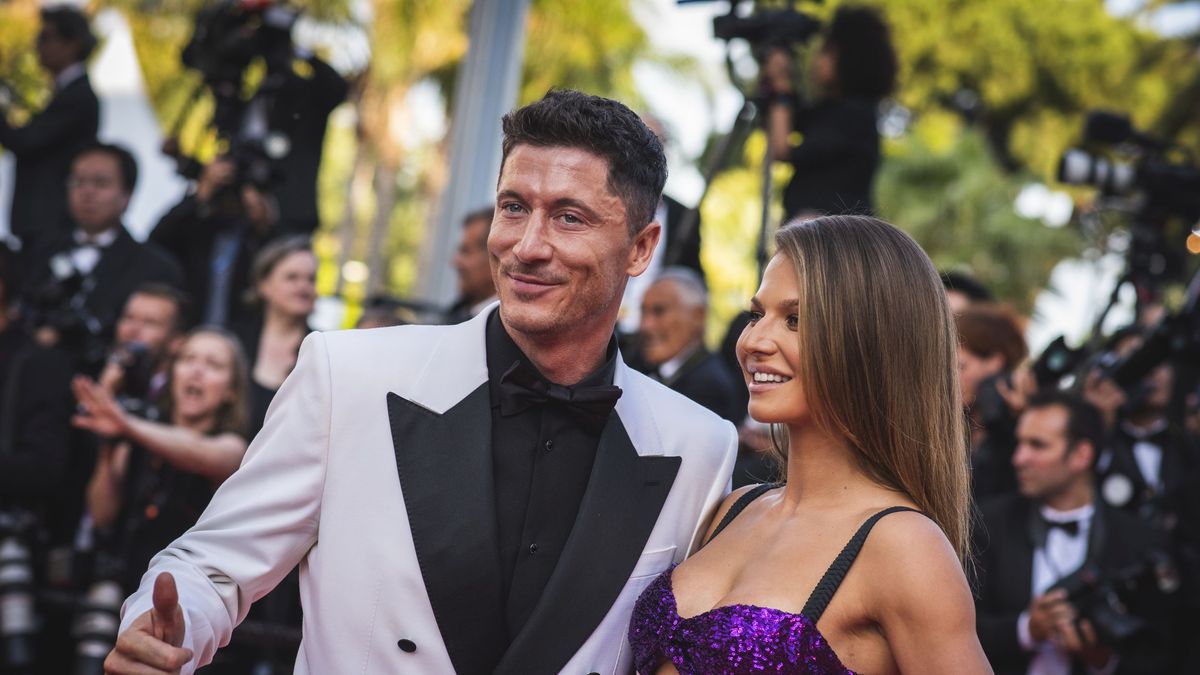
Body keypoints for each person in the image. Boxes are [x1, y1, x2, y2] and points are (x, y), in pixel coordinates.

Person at [105, 89, 738, 675]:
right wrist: (167, 628)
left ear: (640, 247)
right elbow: (215, 565)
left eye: (569, 217)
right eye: (514, 208)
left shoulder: (698, 447)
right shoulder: (348, 376)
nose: (526, 247)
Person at [630, 215, 988, 673]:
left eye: (795, 320)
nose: (754, 340)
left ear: (870, 344)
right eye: (757, 314)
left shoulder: (903, 546)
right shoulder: (732, 508)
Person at [974, 391, 1172, 675]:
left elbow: (1166, 652)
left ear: (1081, 455)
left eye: (1037, 445)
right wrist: (1027, 629)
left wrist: (1102, 659)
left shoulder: (1139, 539)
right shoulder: (988, 523)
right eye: (1019, 443)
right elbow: (961, 626)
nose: (1019, 458)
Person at [75, 327, 250, 594]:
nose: (196, 371)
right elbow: (101, 517)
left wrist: (125, 423)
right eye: (188, 359)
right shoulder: (137, 431)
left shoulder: (234, 446)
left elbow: (199, 452)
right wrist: (108, 448)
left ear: (231, 392)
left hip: (190, 596)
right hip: (121, 585)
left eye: (213, 365)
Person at [20, 143, 182, 366]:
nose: (87, 193)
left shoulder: (155, 267)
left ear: (127, 195)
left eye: (101, 183)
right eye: (78, 182)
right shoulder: (39, 251)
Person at [763, 6, 897, 221]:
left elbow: (782, 150)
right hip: (825, 228)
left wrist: (780, 84)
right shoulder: (837, 112)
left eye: (826, 51)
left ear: (849, 57)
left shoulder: (853, 115)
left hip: (828, 232)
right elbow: (787, 120)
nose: (817, 60)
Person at [0, 5, 99, 250]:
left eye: (45, 38)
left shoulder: (77, 97)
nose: (38, 46)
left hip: (49, 224)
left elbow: (26, 142)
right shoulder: (66, 94)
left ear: (72, 44)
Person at [149, 156, 280, 327]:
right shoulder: (194, 225)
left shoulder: (255, 236)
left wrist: (265, 224)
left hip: (241, 333)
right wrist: (201, 195)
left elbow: (284, 260)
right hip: (188, 328)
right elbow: (156, 244)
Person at [229, 236, 316, 437]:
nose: (304, 287)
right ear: (264, 286)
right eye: (292, 277)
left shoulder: (322, 349)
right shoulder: (234, 339)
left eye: (311, 279)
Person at [639, 267, 741, 424]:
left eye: (659, 311)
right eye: (643, 312)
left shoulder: (709, 388)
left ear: (698, 316)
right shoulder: (644, 367)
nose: (646, 325)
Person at [957, 304, 1029, 500]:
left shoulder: (1019, 433)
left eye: (961, 367)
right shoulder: (950, 425)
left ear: (995, 363)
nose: (950, 377)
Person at [445, 206, 498, 323]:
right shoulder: (456, 314)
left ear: (495, 258)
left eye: (465, 252)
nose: (455, 261)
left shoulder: (509, 330)